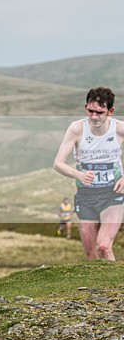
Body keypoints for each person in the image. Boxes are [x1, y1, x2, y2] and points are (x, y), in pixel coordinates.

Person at [54, 87, 124, 260]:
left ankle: (114, 279)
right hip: (86, 196)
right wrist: (79, 175)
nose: (94, 116)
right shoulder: (77, 129)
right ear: (86, 107)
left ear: (110, 111)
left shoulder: (119, 129)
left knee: (104, 246)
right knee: (91, 255)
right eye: (90, 111)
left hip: (113, 194)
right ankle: (103, 279)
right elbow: (58, 163)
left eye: (99, 112)